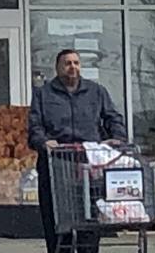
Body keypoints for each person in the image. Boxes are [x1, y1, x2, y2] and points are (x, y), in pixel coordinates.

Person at [26, 50, 126, 253]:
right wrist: (44, 142)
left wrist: (117, 138)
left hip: (89, 165)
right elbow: (35, 127)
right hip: (56, 166)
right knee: (56, 219)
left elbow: (113, 117)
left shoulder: (96, 91)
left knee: (89, 217)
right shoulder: (44, 95)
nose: (73, 67)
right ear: (58, 68)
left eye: (76, 63)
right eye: (67, 63)